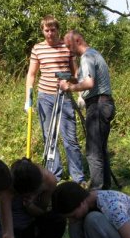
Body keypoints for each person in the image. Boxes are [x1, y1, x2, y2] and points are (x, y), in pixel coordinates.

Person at [25, 15, 85, 185]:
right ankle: (55, 176)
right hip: (45, 98)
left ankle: (78, 178)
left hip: (64, 98)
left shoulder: (66, 48)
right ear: (42, 31)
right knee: (49, 138)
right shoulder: (38, 49)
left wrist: (80, 94)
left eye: (53, 30)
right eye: (46, 30)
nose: (50, 33)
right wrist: (28, 98)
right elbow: (31, 74)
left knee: (70, 138)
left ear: (57, 30)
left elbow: (76, 73)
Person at [58, 30, 116, 190]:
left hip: (98, 106)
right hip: (104, 104)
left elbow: (89, 83)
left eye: (70, 46)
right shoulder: (94, 54)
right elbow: (87, 80)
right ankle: (105, 189)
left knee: (93, 152)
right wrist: (73, 80)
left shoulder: (87, 57)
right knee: (101, 149)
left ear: (77, 41)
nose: (69, 50)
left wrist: (69, 87)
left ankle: (97, 190)